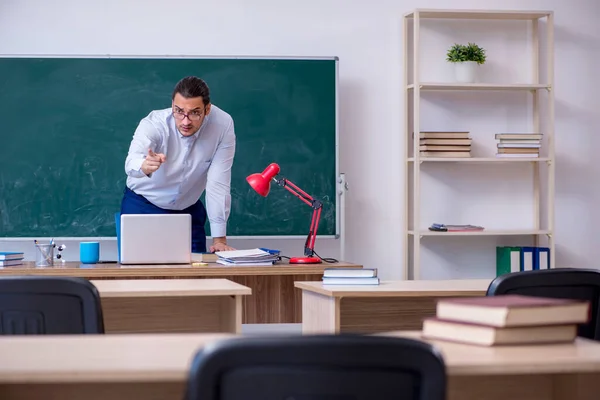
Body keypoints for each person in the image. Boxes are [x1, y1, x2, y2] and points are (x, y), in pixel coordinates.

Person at [120, 76, 236, 253]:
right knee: (140, 271)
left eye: (195, 112)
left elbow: (218, 183)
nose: (185, 121)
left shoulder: (223, 125)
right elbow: (131, 162)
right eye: (179, 111)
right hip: (143, 205)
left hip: (188, 210)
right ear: (172, 105)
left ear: (208, 109)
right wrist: (143, 165)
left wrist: (219, 240)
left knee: (196, 274)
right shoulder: (154, 123)